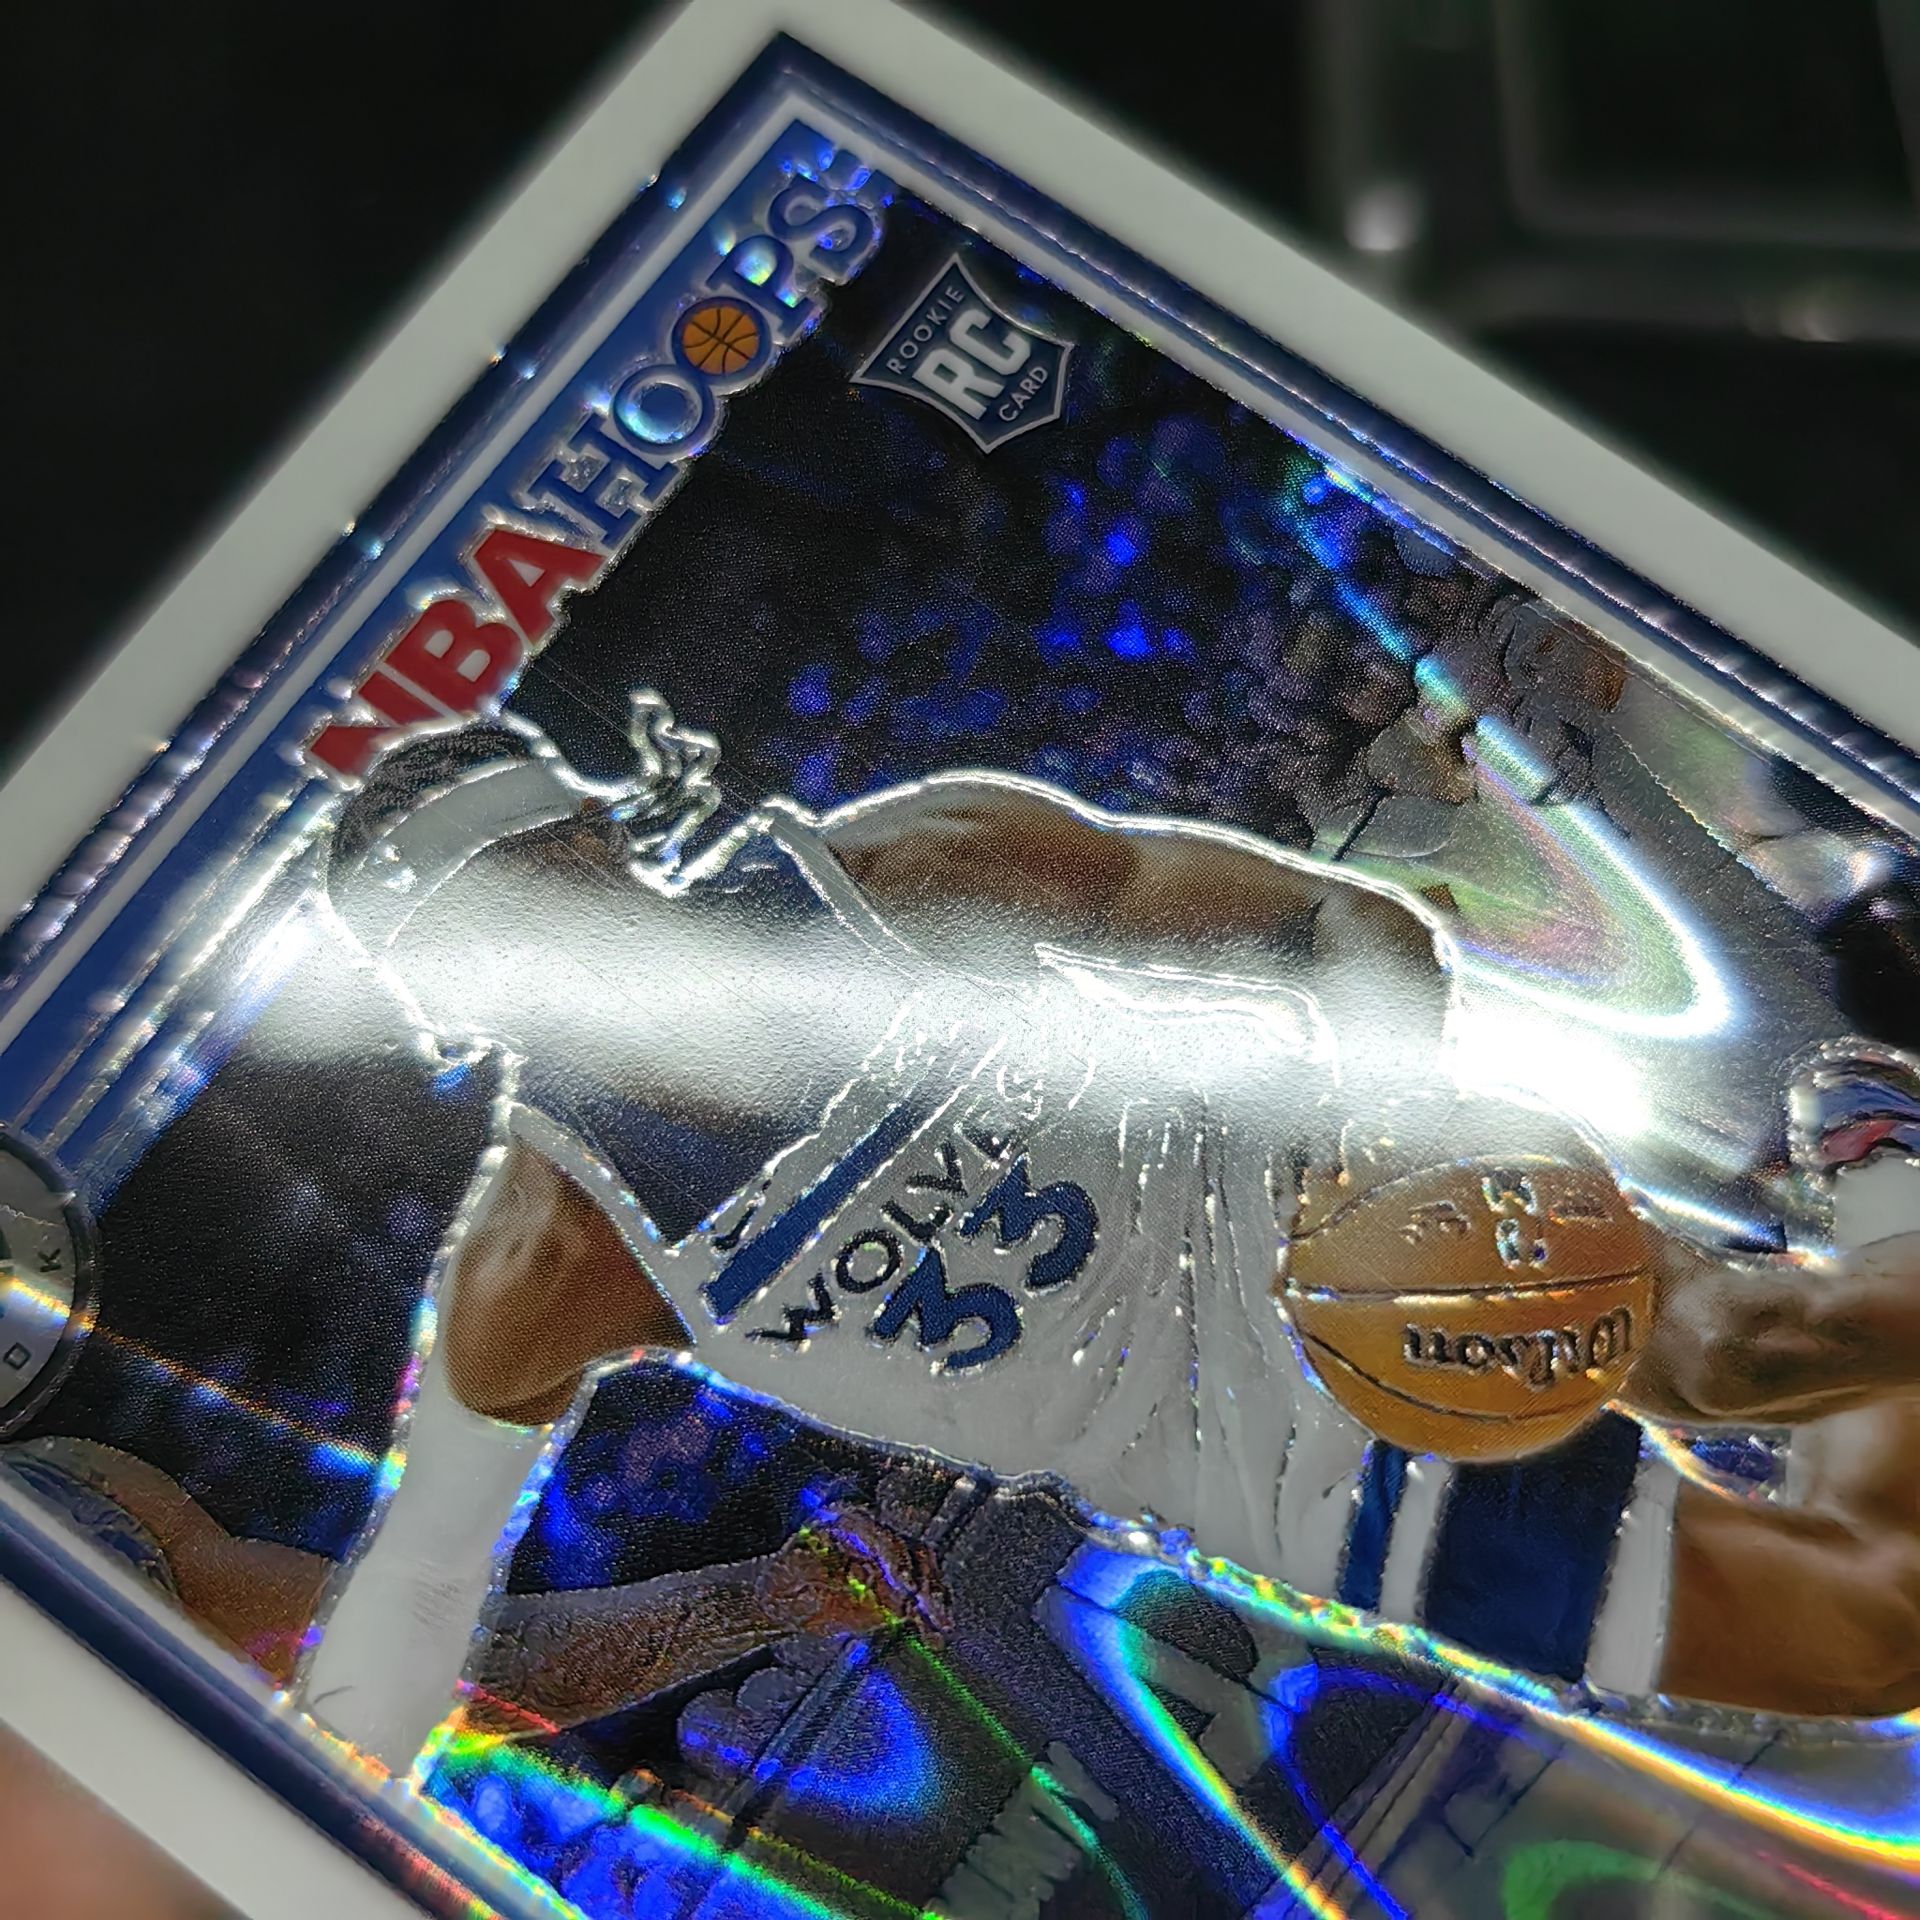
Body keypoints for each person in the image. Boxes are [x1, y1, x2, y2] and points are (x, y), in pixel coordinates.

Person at [295, 692, 1920, 1769]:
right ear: (452, 997)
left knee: (1740, 1357)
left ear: (596, 838)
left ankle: (1862, 1221)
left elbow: (1340, 921)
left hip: (1343, 1211)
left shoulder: (911, 874)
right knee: (1875, 1637)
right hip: (1291, 1489)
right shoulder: (554, 1251)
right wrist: (300, 1805)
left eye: (535, 886)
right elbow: (417, 1591)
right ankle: (1882, 1179)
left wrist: (1368, 1129)